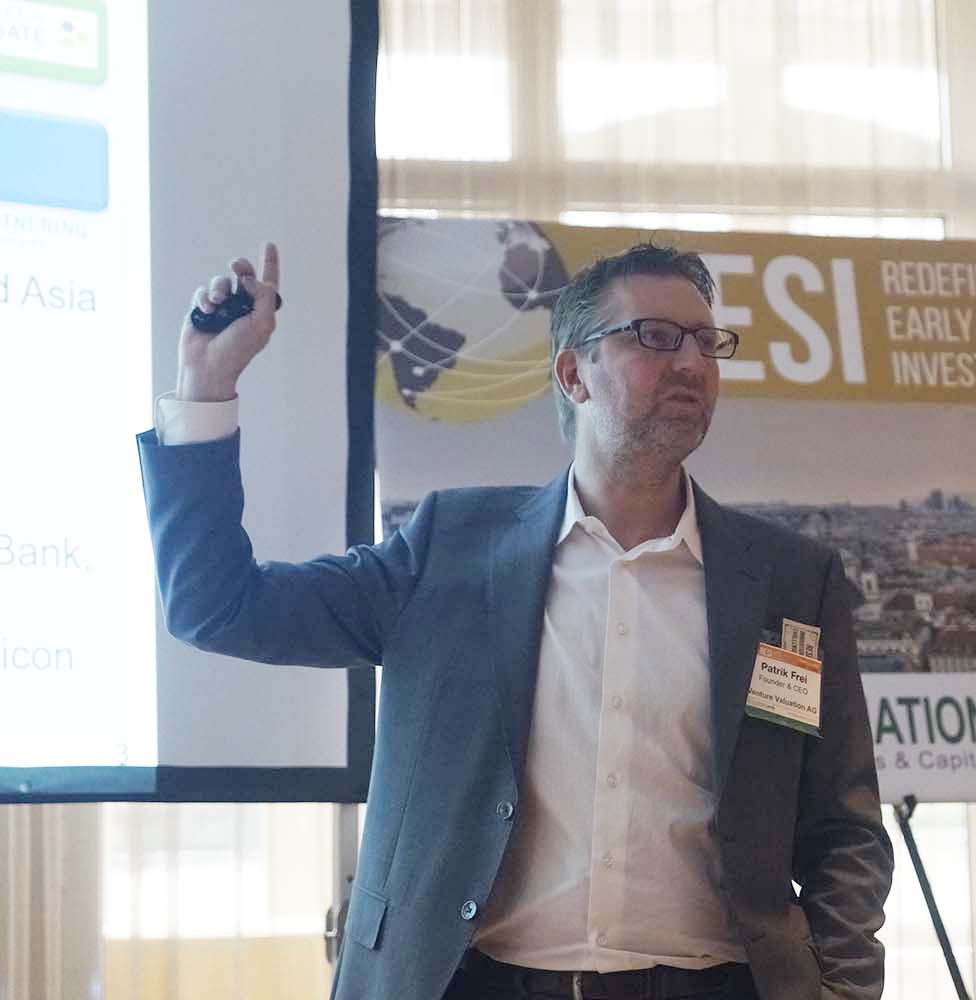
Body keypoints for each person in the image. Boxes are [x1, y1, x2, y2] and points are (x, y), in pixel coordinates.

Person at [138, 241, 893, 1000]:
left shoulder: (789, 584)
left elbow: (844, 829)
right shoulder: (447, 551)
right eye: (657, 337)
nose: (693, 363)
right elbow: (219, 606)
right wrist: (206, 387)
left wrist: (844, 989)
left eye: (707, 341)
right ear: (573, 373)